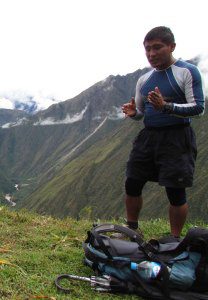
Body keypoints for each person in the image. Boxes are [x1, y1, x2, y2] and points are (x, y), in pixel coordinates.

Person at [122, 26, 205, 241]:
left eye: (157, 48)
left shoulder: (187, 72)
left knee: (175, 190)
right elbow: (142, 112)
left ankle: (174, 239)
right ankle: (131, 228)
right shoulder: (144, 80)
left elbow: (198, 108)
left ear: (172, 47)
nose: (152, 54)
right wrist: (134, 113)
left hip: (177, 137)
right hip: (149, 136)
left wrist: (167, 107)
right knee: (132, 181)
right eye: (148, 49)